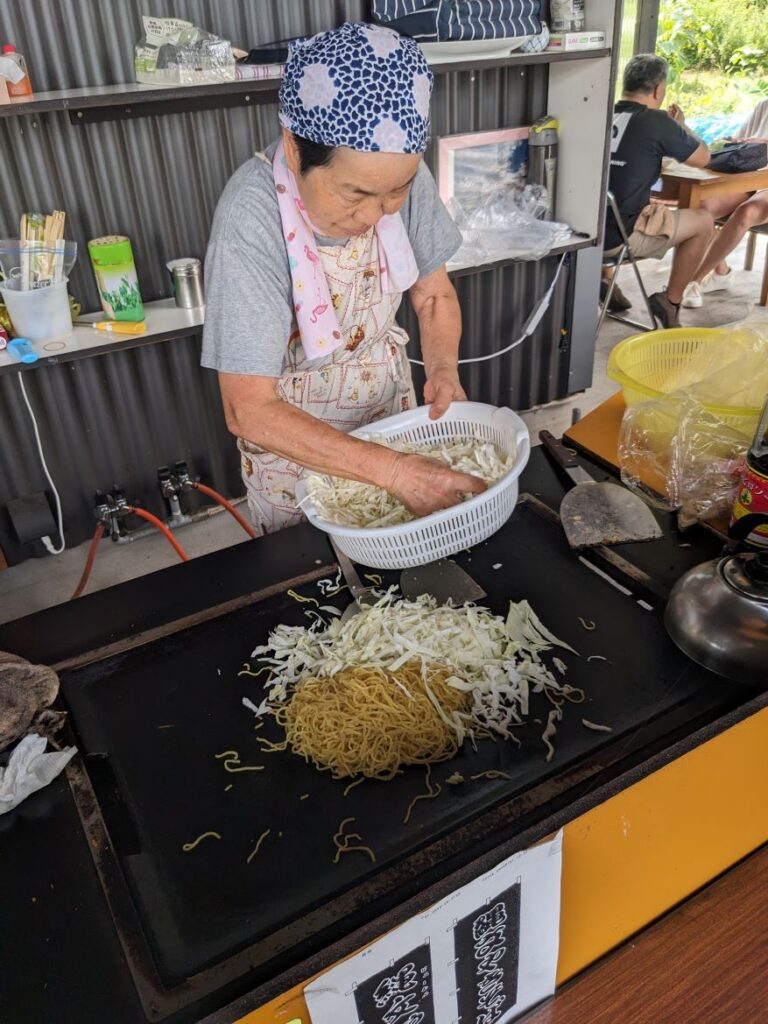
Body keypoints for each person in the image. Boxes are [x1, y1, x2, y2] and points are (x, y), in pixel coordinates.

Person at [201, 22, 485, 535]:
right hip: (297, 457)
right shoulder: (251, 216)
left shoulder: (399, 172)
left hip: (390, 415)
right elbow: (247, 409)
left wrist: (443, 371)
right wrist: (395, 472)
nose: (378, 213)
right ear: (294, 149)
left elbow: (434, 295)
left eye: (395, 192)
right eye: (355, 195)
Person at [603, 54, 713, 328]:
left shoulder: (601, 112)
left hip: (582, 232)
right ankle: (671, 301)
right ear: (658, 90)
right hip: (619, 238)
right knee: (704, 222)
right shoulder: (657, 121)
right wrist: (680, 126)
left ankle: (603, 281)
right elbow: (703, 159)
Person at [682, 98, 768, 308]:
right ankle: (721, 271)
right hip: (746, 177)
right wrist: (737, 141)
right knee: (701, 209)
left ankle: (694, 280)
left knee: (745, 213)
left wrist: (762, 143)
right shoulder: (764, 105)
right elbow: (738, 141)